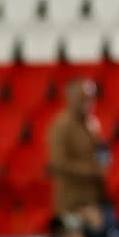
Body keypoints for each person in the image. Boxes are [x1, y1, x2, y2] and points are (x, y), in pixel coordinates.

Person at [48, 80, 106, 215]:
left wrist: (103, 163)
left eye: (91, 99)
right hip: (72, 199)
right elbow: (58, 163)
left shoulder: (92, 123)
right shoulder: (62, 126)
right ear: (71, 99)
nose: (89, 103)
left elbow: (101, 149)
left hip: (93, 196)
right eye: (83, 99)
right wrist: (90, 170)